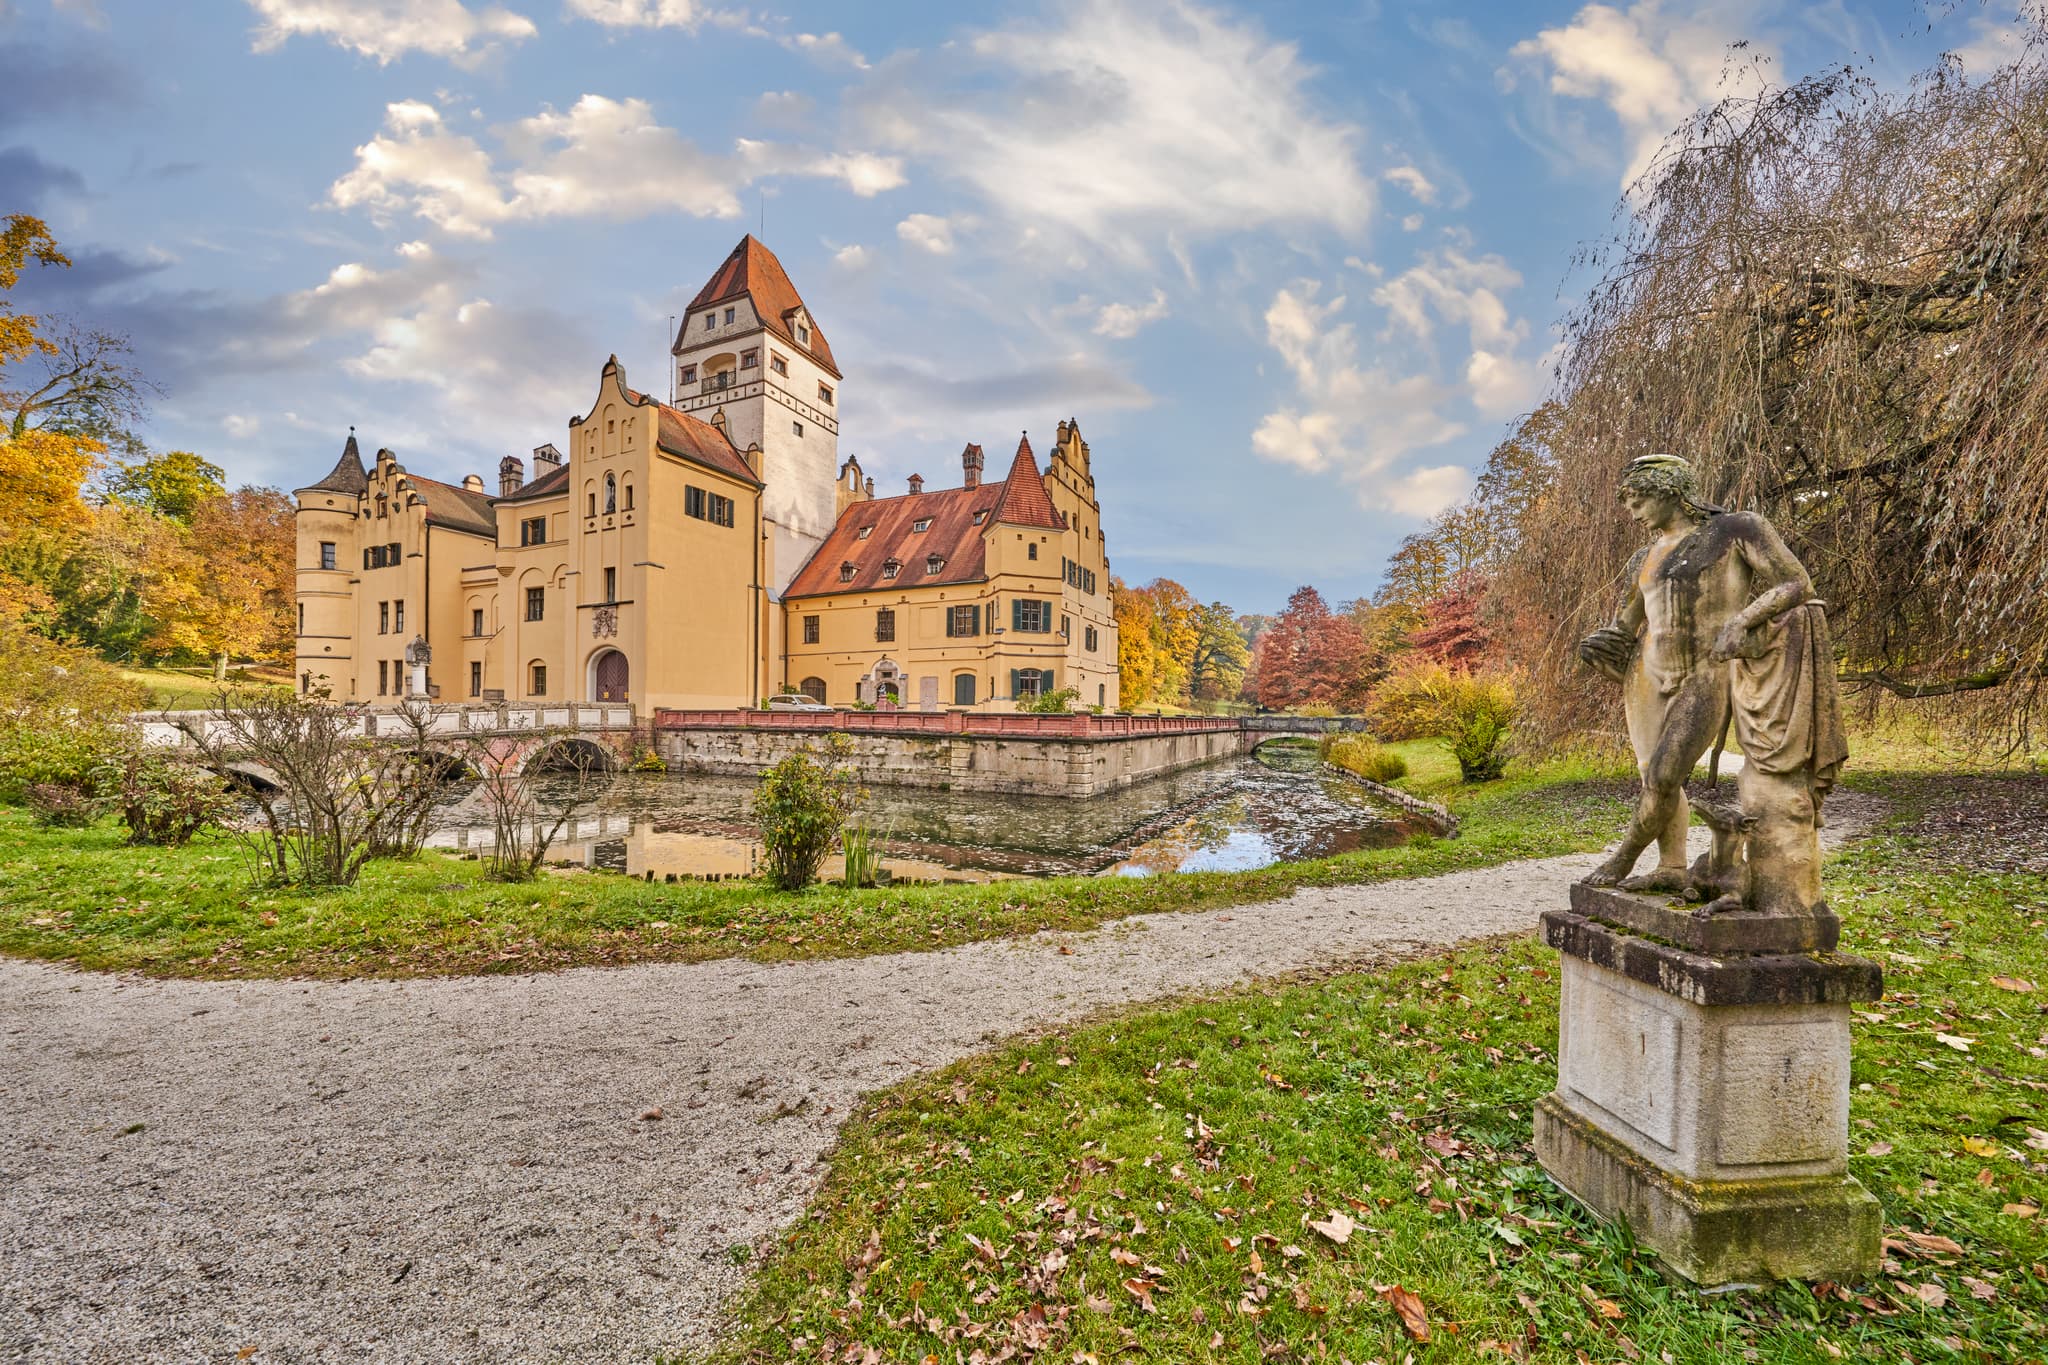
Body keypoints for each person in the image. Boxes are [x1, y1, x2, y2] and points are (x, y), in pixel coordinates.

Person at [1577, 455, 1847, 916]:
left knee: (1665, 774)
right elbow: (1627, 626)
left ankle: (1623, 858)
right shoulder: (1644, 557)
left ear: (1668, 491)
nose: (1633, 512)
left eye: (1638, 501)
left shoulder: (1735, 530)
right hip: (1646, 672)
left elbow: (1795, 583)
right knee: (1652, 778)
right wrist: (1600, 646)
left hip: (1705, 672)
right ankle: (1672, 865)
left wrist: (1744, 620)